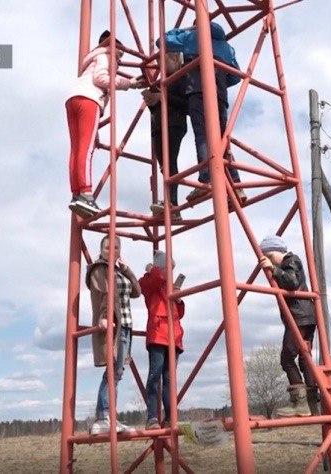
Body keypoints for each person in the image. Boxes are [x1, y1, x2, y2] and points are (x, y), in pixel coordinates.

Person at [162, 22, 247, 204]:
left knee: (202, 136)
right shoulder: (226, 47)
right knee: (222, 141)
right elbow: (235, 75)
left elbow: (163, 40)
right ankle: (237, 186)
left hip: (198, 93)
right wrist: (220, 84)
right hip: (220, 96)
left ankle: (206, 179)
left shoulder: (193, 37)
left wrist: (186, 30)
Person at [67, 30, 144, 217]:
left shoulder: (93, 58)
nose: (120, 58)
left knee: (77, 149)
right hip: (90, 100)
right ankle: (85, 193)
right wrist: (129, 83)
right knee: (86, 149)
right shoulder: (106, 56)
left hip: (73, 99)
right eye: (120, 54)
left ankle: (77, 193)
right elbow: (101, 78)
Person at [87, 234, 141, 434]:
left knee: (117, 372)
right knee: (112, 371)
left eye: (116, 248)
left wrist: (126, 268)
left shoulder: (119, 270)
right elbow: (103, 294)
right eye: (108, 247)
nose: (112, 251)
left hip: (126, 326)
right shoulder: (99, 268)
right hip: (113, 326)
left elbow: (137, 291)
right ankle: (102, 417)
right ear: (101, 249)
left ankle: (109, 417)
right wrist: (103, 316)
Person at [258, 235, 318, 416]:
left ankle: (300, 403)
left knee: (287, 358)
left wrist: (274, 270)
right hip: (305, 316)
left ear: (274, 252)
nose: (268, 261)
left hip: (299, 317)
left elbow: (291, 282)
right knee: (304, 359)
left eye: (268, 256)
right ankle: (313, 404)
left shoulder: (290, 261)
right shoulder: (290, 262)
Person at [138, 251, 185, 429]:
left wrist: (179, 300)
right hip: (158, 335)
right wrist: (155, 269)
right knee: (155, 376)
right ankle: (152, 417)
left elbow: (178, 314)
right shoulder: (149, 281)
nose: (169, 271)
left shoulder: (170, 287)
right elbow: (152, 282)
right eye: (167, 268)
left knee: (169, 380)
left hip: (174, 337)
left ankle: (170, 417)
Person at [143, 52, 188, 222]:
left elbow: (187, 105)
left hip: (174, 124)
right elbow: (158, 106)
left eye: (163, 61)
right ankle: (170, 203)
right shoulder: (162, 81)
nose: (160, 65)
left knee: (170, 163)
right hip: (159, 125)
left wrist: (162, 97)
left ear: (175, 59)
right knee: (165, 166)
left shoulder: (182, 76)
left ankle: (173, 203)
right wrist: (152, 102)